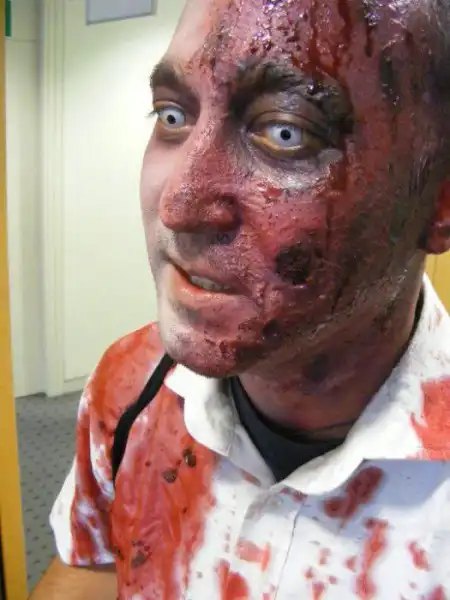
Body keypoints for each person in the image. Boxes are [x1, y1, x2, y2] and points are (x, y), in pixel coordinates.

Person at [30, 0, 450, 598]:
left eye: (285, 132)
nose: (178, 205)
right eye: (173, 115)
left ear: (438, 199)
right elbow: (92, 566)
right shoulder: (130, 384)